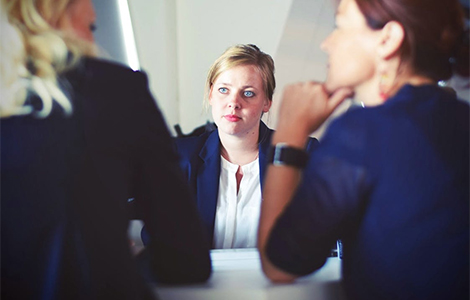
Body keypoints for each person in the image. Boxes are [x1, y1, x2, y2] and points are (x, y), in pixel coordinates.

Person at [258, 0, 469, 299]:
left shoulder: (361, 132)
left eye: (339, 26)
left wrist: (290, 132)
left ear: (388, 40)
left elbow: (279, 263)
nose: (326, 44)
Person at [1, 0, 211, 299]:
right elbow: (185, 258)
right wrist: (111, 256)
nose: (95, 14)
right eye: (92, 26)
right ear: (54, 10)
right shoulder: (116, 89)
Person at [174, 44, 319, 249]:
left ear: (267, 102)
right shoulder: (180, 157)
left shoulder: (302, 154)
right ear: (210, 95)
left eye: (248, 93)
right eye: (223, 90)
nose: (233, 102)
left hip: (275, 280)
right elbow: (157, 240)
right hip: (200, 280)